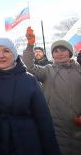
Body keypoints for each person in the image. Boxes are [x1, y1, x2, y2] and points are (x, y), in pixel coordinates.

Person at [23, 26, 81, 154]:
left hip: (77, 127)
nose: (59, 53)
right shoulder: (48, 70)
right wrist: (30, 45)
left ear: (70, 53)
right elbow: (29, 66)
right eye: (55, 51)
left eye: (63, 50)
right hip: (55, 127)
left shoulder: (79, 70)